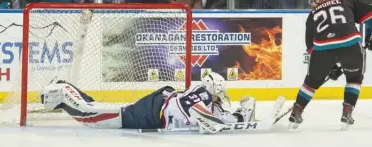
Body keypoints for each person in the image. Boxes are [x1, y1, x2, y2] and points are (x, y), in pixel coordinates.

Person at [40, 72, 285, 133]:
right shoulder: (204, 95)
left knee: (94, 115)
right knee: (91, 118)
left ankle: (63, 93)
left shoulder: (202, 92)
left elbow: (212, 118)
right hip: (151, 112)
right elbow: (205, 117)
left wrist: (242, 114)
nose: (223, 99)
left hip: (157, 104)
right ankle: (63, 88)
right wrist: (236, 116)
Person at [288, 0, 372, 130]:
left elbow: (311, 47)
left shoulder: (312, 15)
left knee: (311, 82)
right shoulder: (345, 1)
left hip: (322, 50)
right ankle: (347, 112)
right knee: (354, 78)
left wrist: (328, 65)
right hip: (350, 45)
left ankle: (297, 110)